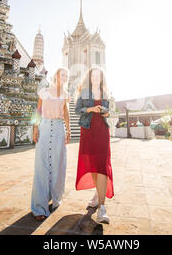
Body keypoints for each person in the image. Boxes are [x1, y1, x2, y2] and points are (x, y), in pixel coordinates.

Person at [31, 68, 71, 221]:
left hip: (59, 129)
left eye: (67, 75)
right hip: (45, 127)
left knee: (57, 164)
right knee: (41, 166)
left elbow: (66, 112)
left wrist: (69, 130)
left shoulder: (66, 95)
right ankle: (39, 207)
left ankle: (55, 197)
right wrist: (35, 127)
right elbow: (38, 110)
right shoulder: (44, 92)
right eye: (62, 74)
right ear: (56, 76)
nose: (65, 77)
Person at [75, 67, 114, 224]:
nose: (96, 78)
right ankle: (98, 194)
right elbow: (78, 110)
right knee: (92, 165)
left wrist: (106, 113)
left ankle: (102, 208)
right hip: (88, 131)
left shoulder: (106, 93)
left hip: (102, 131)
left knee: (102, 166)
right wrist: (91, 108)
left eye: (99, 76)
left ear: (102, 78)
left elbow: (109, 112)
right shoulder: (84, 92)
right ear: (90, 78)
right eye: (93, 76)